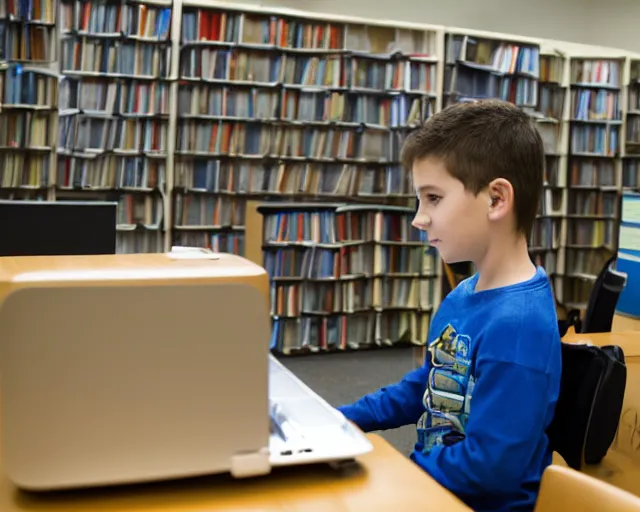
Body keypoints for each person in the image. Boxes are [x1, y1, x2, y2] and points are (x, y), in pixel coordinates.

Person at [337, 99, 562, 511]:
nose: (418, 219)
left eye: (433, 198)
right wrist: (345, 418)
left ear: (496, 199)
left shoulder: (519, 327)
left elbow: (490, 470)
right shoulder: (464, 294)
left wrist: (398, 471)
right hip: (434, 490)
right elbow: (428, 385)